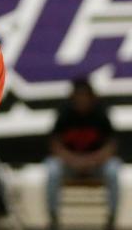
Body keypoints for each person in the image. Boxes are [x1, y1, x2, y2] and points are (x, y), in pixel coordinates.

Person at [45, 77, 121, 230]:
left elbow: (112, 144)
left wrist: (93, 160)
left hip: (96, 164)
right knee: (52, 169)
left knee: (113, 169)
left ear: (91, 97)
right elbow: (55, 144)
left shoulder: (100, 113)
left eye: (84, 95)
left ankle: (111, 218)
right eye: (78, 95)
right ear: (72, 97)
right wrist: (73, 160)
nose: (81, 99)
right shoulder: (65, 113)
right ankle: (53, 218)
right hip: (70, 164)